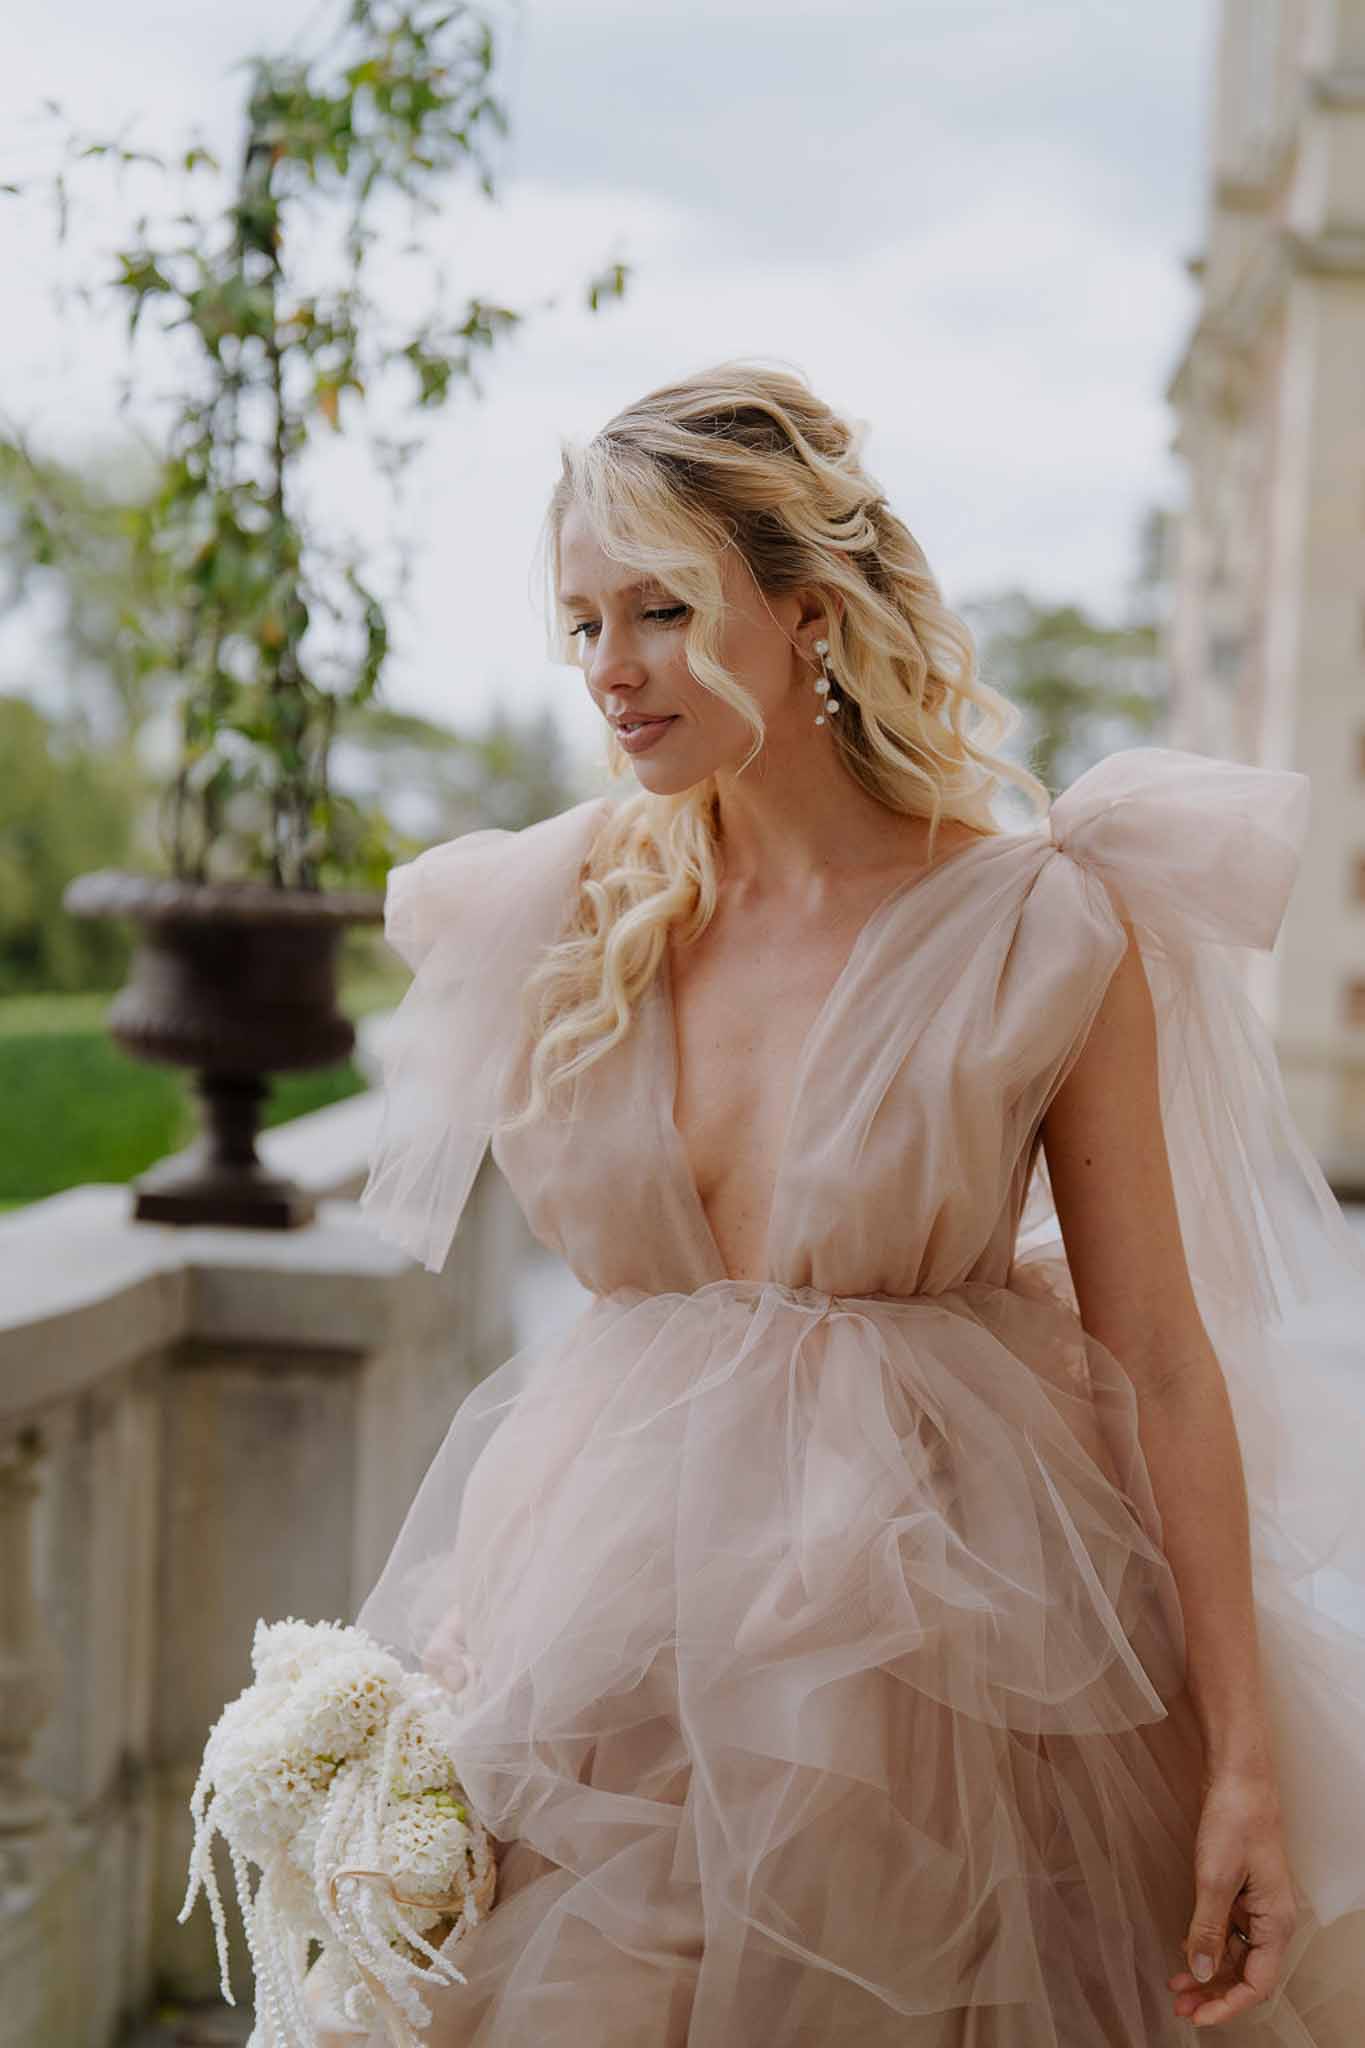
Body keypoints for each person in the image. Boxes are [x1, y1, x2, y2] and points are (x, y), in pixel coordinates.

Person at [312, 363, 1365, 2044]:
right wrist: (487, 1614)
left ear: (809, 617)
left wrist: (1242, 1765)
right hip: (612, 1669)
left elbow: (1161, 1359)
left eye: (660, 610)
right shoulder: (558, 914)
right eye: (579, 624)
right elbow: (621, 1355)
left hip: (947, 1688)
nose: (610, 672)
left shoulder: (1045, 923)